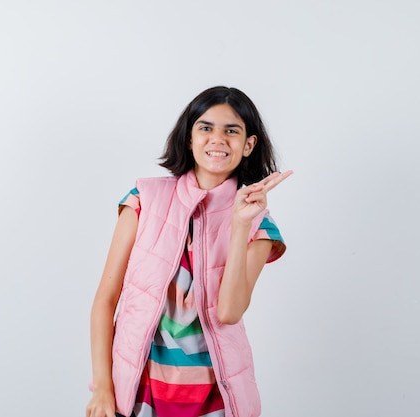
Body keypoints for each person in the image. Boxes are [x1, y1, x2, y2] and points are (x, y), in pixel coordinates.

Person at [86, 86, 293, 417]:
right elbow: (105, 300)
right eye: (206, 128)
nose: (218, 139)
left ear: (248, 144)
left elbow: (228, 313)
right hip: (140, 395)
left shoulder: (260, 227)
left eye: (232, 130)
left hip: (217, 401)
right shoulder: (143, 199)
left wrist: (240, 225)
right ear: (189, 138)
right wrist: (102, 388)